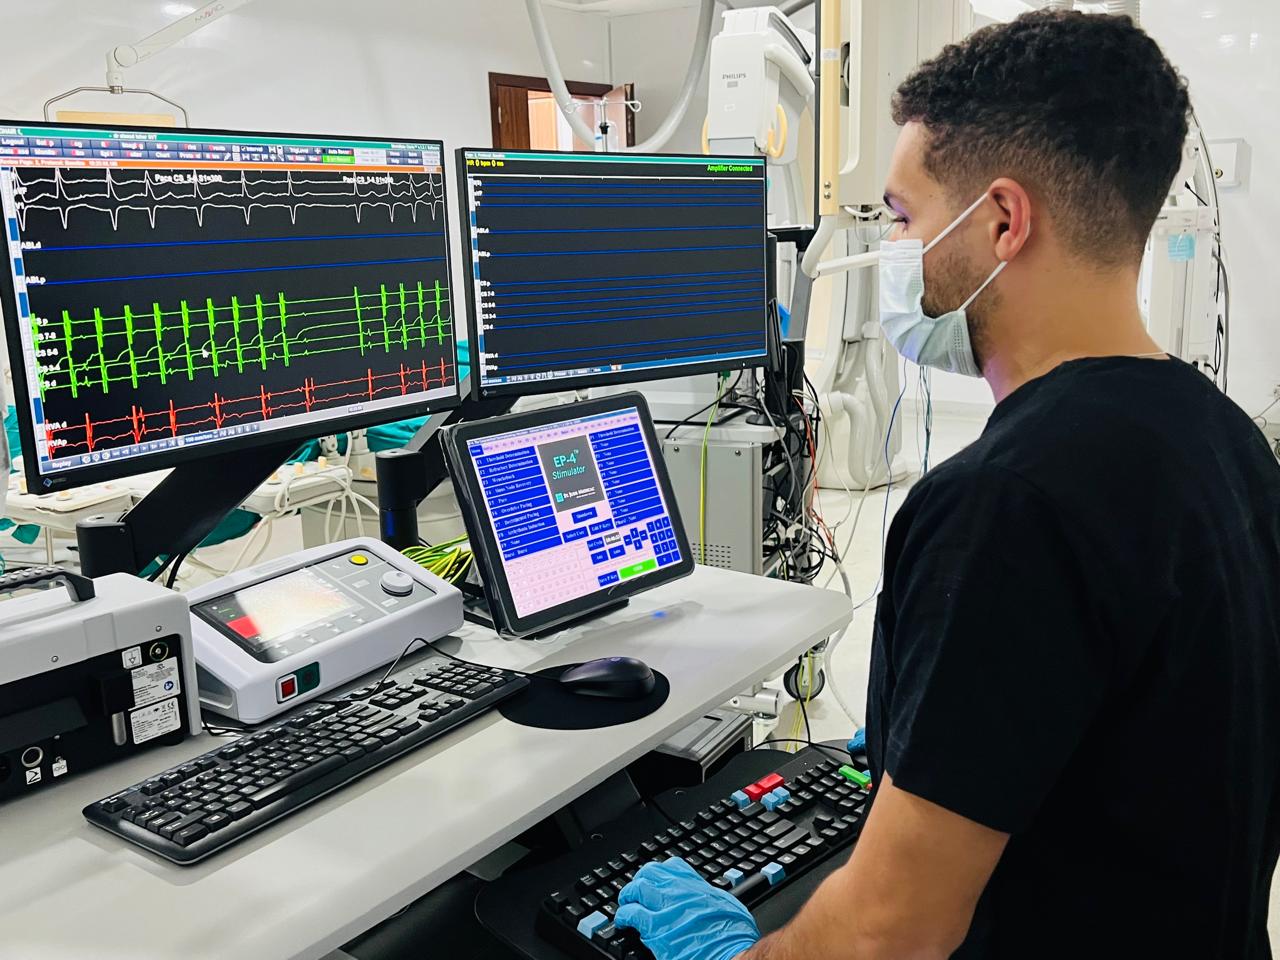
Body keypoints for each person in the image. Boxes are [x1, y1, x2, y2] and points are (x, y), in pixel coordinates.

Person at [614, 10, 1280, 959]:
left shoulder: (1007, 502)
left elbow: (889, 934)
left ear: (1003, 221)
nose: (894, 248)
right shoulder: (1226, 440)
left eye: (901, 217)